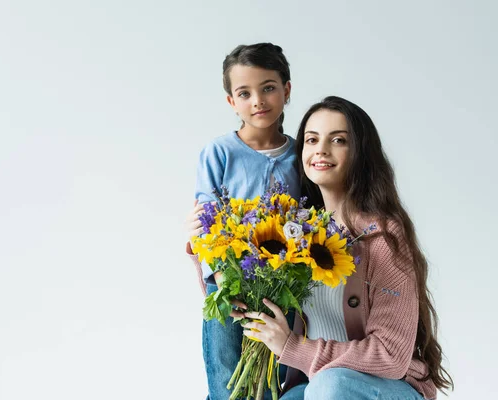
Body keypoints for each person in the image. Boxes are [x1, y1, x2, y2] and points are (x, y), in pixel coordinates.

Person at [186, 96, 453, 399]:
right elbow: (240, 300)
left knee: (330, 385)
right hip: (313, 388)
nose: (321, 150)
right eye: (311, 140)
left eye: (338, 140)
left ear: (360, 153)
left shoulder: (384, 238)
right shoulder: (296, 232)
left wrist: (293, 348)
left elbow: (390, 356)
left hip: (385, 389)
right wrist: (207, 251)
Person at [190, 43, 300, 400]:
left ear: (286, 90)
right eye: (244, 93)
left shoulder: (302, 155)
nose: (258, 100)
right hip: (229, 286)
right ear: (231, 102)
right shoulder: (218, 153)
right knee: (226, 376)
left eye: (268, 87)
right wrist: (223, 280)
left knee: (270, 376)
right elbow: (204, 227)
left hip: (280, 290)